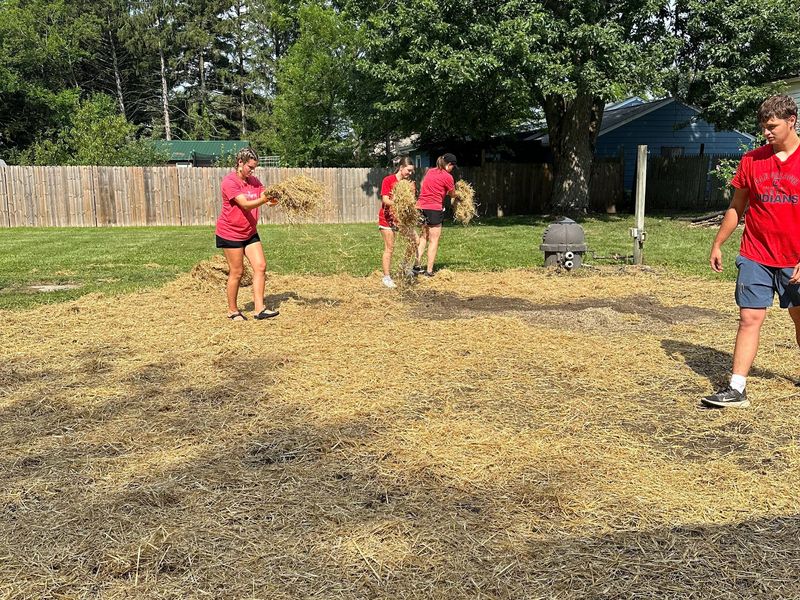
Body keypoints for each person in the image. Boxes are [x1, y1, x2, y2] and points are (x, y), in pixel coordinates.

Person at [703, 94, 800, 408]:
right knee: (749, 317)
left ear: (791, 121)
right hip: (756, 254)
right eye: (763, 127)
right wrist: (718, 242)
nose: (767, 133)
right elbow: (736, 206)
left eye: (772, 126)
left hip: (794, 259)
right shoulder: (752, 161)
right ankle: (737, 388)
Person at [215, 147, 280, 321]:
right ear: (240, 162)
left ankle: (259, 309)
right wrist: (264, 200)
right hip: (230, 233)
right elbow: (245, 205)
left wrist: (273, 198)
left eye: (254, 168)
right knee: (237, 272)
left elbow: (265, 196)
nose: (252, 171)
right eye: (250, 167)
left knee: (260, 266)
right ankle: (233, 310)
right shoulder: (230, 182)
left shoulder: (254, 181)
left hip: (249, 232)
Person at [415, 153, 458, 276]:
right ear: (449, 165)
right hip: (434, 208)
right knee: (434, 240)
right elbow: (452, 193)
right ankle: (429, 271)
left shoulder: (430, 171)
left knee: (424, 237)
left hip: (421, 207)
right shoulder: (448, 177)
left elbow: (424, 185)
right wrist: (458, 195)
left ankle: (416, 266)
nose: (453, 169)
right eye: (453, 166)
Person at [378, 156, 415, 288]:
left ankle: (404, 265)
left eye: (411, 171)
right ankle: (386, 277)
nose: (410, 173)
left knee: (414, 241)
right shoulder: (389, 180)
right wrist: (399, 203)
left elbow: (411, 200)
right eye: (408, 170)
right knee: (389, 248)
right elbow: (385, 200)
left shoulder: (409, 183)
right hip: (387, 219)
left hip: (401, 219)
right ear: (401, 168)